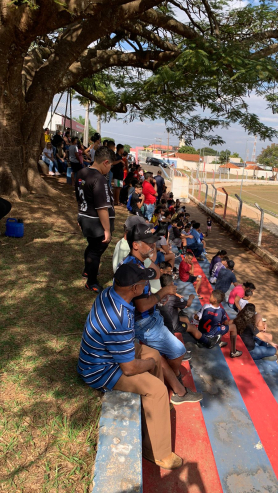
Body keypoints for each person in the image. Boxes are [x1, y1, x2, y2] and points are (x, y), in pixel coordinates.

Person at [77, 262, 183, 470]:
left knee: (151, 352)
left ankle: (155, 411)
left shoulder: (111, 293)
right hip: (99, 370)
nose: (146, 286)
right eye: (144, 283)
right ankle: (158, 452)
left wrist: (151, 359)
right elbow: (129, 369)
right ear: (134, 288)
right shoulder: (119, 318)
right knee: (158, 389)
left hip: (104, 354)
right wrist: (152, 363)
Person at [120, 224, 203, 405]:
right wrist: (163, 292)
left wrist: (150, 254)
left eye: (153, 243)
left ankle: (175, 385)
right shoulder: (136, 272)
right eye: (148, 243)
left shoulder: (135, 263)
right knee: (179, 351)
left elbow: (156, 273)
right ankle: (174, 384)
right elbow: (141, 306)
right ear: (135, 245)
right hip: (144, 322)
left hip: (149, 318)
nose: (152, 247)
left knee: (164, 352)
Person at [75, 147, 116, 293]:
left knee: (91, 246)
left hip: (85, 217)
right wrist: (107, 230)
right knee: (96, 250)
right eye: (110, 165)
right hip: (96, 222)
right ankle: (91, 281)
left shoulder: (81, 173)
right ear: (105, 162)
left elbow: (80, 197)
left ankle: (88, 270)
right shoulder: (99, 179)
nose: (110, 168)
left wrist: (80, 216)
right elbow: (102, 208)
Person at [158, 275, 220, 348]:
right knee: (192, 327)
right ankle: (208, 343)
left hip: (163, 320)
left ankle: (198, 338)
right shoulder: (172, 298)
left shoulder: (158, 294)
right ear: (171, 284)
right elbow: (188, 304)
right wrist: (191, 297)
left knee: (186, 319)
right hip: (172, 325)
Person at [195, 290, 242, 357]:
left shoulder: (205, 306)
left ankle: (218, 341)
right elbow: (226, 323)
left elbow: (196, 317)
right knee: (232, 326)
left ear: (214, 300)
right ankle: (233, 351)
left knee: (215, 324)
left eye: (211, 296)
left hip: (201, 333)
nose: (209, 297)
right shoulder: (222, 311)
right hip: (213, 333)